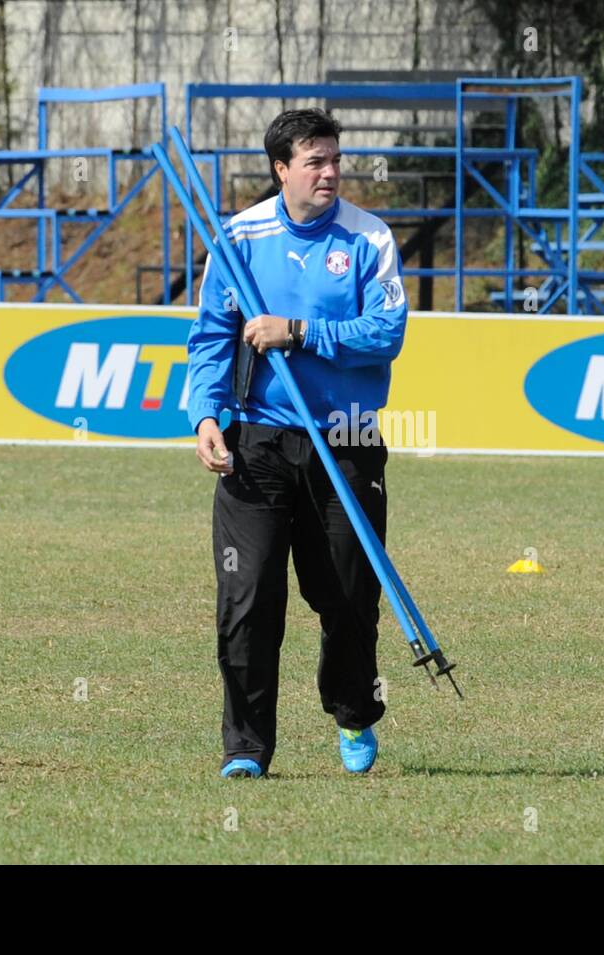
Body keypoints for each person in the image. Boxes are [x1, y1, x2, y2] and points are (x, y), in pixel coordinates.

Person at [185, 108, 409, 778]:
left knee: (347, 594)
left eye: (335, 159)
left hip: (345, 439)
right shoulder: (237, 239)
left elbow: (387, 332)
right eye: (314, 161)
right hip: (256, 439)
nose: (330, 172)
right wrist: (205, 415)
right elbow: (210, 341)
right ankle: (246, 746)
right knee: (248, 595)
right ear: (281, 169)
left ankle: (352, 711)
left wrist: (302, 332)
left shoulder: (369, 240)